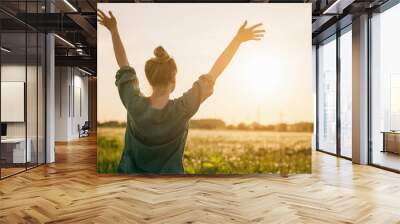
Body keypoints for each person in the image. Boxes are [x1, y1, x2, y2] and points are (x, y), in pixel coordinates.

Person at [97, 9, 265, 174]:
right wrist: (237, 40)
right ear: (173, 81)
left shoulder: (133, 103)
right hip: (170, 189)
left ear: (149, 79)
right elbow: (214, 72)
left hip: (129, 186)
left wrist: (113, 30)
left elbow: (123, 64)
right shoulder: (183, 108)